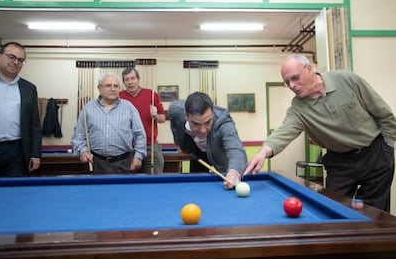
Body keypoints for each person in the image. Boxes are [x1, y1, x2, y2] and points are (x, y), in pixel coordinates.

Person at [245, 54, 396, 212]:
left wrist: (388, 147)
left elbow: (383, 113)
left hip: (375, 154)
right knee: (334, 210)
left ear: (309, 69)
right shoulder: (298, 108)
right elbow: (284, 132)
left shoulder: (347, 79)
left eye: (295, 78)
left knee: (374, 212)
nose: (292, 85)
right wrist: (262, 153)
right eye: (287, 82)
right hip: (340, 162)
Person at [0, 41, 42, 177]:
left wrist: (35, 155)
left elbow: (35, 126)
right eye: (11, 57)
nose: (16, 62)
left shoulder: (29, 88)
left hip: (16, 151)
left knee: (13, 193)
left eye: (21, 60)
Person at [71, 73, 147, 174]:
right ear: (99, 88)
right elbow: (78, 136)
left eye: (116, 86)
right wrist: (83, 151)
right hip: (95, 163)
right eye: (108, 85)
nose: (113, 89)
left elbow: (140, 135)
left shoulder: (129, 107)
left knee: (123, 190)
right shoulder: (88, 108)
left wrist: (138, 156)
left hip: (123, 163)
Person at [169, 92, 247, 189]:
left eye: (207, 122)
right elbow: (174, 124)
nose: (203, 130)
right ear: (186, 116)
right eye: (196, 124)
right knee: (196, 186)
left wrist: (234, 171)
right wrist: (178, 143)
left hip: (219, 154)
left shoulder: (223, 121)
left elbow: (236, 150)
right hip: (197, 154)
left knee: (229, 181)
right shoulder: (175, 109)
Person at [120, 67, 166, 174]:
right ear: (123, 82)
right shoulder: (119, 97)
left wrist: (156, 115)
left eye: (133, 78)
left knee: (155, 180)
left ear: (138, 79)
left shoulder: (151, 94)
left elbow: (162, 119)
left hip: (150, 146)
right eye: (127, 80)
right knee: (130, 182)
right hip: (128, 148)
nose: (130, 82)